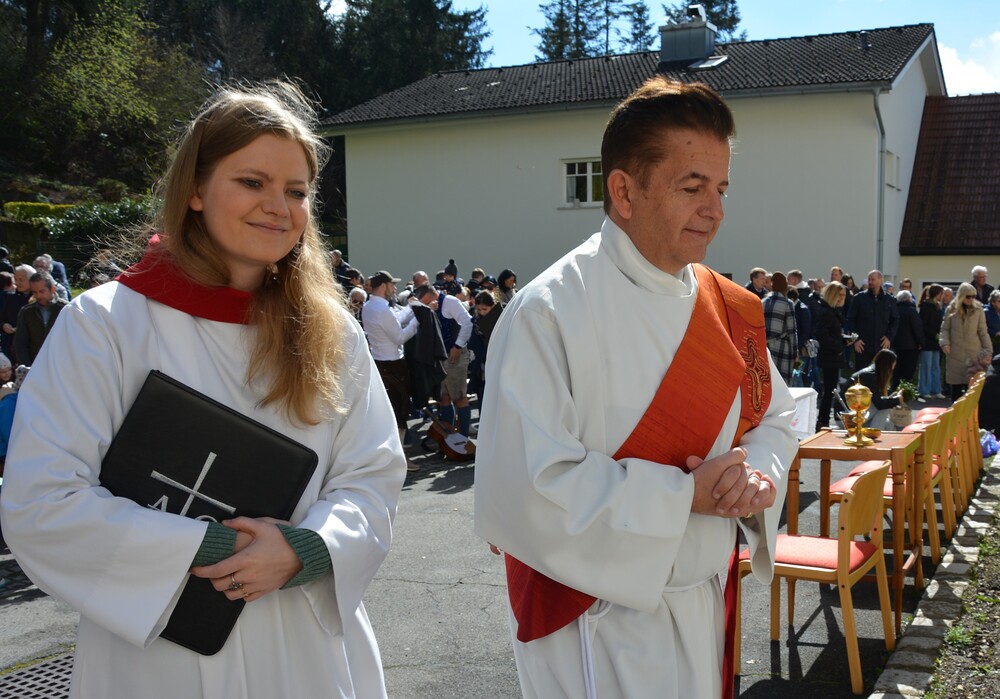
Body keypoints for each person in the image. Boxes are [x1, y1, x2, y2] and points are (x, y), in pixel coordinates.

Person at [0, 82, 405, 698]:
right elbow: (43, 501)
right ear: (194, 189)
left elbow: (371, 475)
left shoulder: (331, 331)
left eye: (297, 191)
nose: (278, 206)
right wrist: (211, 547)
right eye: (252, 181)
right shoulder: (106, 324)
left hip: (303, 648)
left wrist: (309, 549)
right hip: (155, 654)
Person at [474, 77, 796, 699]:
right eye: (692, 187)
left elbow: (775, 417)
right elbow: (526, 489)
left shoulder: (727, 309)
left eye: (722, 189)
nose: (715, 210)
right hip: (595, 623)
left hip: (703, 601)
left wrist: (755, 474)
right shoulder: (549, 311)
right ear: (623, 191)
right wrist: (682, 497)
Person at [362, 270, 420, 472]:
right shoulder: (382, 310)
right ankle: (399, 460)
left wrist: (411, 308)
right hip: (394, 366)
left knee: (387, 412)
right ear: (383, 286)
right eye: (392, 285)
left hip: (379, 363)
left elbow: (394, 319)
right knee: (399, 411)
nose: (395, 288)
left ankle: (390, 458)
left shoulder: (369, 306)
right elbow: (399, 337)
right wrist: (417, 319)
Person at [940, 282, 992, 400]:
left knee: (972, 388)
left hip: (974, 353)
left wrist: (988, 350)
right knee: (956, 387)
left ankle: (970, 412)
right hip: (955, 353)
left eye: (973, 296)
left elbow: (983, 331)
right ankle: (955, 410)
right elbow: (945, 329)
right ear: (961, 295)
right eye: (968, 296)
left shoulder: (978, 309)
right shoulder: (951, 309)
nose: (971, 299)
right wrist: (945, 343)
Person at [435, 282, 474, 435]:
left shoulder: (450, 301)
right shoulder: (428, 305)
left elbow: (468, 322)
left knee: (459, 397)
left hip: (454, 355)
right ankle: (448, 438)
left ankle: (463, 438)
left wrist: (458, 346)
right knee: (443, 398)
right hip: (440, 357)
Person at [845, 269, 898, 371]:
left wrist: (889, 337)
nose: (870, 282)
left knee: (881, 375)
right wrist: (855, 339)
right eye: (869, 279)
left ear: (880, 280)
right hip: (863, 347)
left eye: (873, 279)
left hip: (881, 346)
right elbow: (850, 320)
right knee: (861, 376)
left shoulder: (889, 300)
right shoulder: (859, 298)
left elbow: (895, 320)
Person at [814, 280, 850, 431]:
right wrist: (838, 348)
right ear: (832, 295)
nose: (842, 298)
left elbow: (831, 333)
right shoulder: (827, 311)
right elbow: (822, 335)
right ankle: (823, 420)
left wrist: (843, 340)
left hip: (832, 355)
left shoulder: (832, 310)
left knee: (830, 390)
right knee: (829, 390)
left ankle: (823, 420)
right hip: (830, 356)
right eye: (839, 295)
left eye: (843, 295)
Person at [13, 271, 68, 365]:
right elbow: (20, 344)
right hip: (35, 365)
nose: (38, 296)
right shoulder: (26, 312)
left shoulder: (66, 309)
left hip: (62, 365)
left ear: (53, 290)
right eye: (34, 292)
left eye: (42, 291)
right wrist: (28, 367)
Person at [851, 349, 906, 430]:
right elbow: (879, 403)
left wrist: (895, 395)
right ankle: (874, 433)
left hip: (857, 412)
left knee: (888, 425)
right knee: (885, 407)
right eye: (893, 365)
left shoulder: (872, 372)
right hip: (849, 416)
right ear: (887, 364)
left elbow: (878, 396)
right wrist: (897, 400)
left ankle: (878, 431)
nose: (893, 368)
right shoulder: (870, 376)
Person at [762, 271, 797, 384]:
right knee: (782, 382)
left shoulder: (762, 302)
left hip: (765, 347)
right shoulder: (788, 304)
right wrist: (795, 352)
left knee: (767, 380)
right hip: (782, 347)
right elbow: (792, 330)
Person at [917, 284, 947, 400]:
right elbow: (923, 325)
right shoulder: (925, 306)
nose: (942, 296)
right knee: (926, 367)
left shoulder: (938, 306)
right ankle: (924, 390)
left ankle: (936, 390)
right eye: (941, 293)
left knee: (936, 367)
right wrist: (934, 334)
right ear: (936, 294)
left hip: (936, 342)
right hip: (928, 341)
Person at [891, 289, 924, 389]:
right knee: (908, 371)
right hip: (910, 346)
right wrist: (921, 342)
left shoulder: (894, 309)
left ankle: (894, 388)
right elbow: (917, 328)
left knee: (896, 370)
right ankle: (905, 390)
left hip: (895, 345)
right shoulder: (912, 311)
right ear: (909, 299)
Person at [1, 264, 34, 363]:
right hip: (12, 347)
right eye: (15, 279)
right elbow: (2, 319)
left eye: (21, 280)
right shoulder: (10, 298)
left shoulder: (37, 300)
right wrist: (3, 326)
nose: (17, 283)